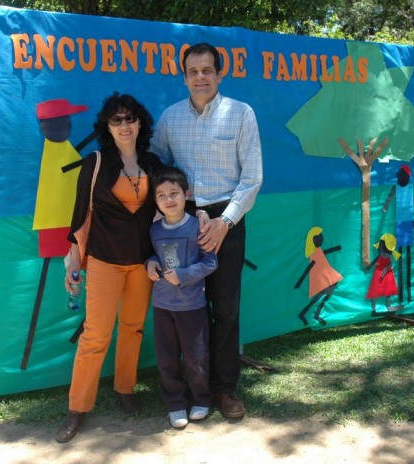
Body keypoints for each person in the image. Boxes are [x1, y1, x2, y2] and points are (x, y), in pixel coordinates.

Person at [150, 42, 263, 419]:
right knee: (182, 305)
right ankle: (187, 387)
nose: (200, 77)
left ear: (219, 74)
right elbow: (157, 169)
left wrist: (224, 222)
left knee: (225, 308)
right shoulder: (170, 118)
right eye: (193, 71)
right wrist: (176, 209)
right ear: (184, 77)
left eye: (207, 70)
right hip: (180, 222)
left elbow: (252, 178)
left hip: (226, 218)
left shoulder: (241, 114)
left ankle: (224, 388)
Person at [56, 92, 163, 444]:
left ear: (140, 123)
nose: (124, 125)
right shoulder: (96, 162)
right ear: (108, 126)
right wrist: (72, 262)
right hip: (104, 261)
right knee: (95, 335)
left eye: (130, 118)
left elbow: (166, 209)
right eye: (116, 120)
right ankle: (77, 407)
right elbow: (79, 216)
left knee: (133, 328)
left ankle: (125, 388)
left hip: (142, 262)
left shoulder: (153, 163)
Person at [145, 166, 218, 428]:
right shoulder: (154, 230)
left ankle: (201, 399)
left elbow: (210, 262)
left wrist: (184, 275)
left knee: (196, 357)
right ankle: (175, 404)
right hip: (162, 305)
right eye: (162, 195)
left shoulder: (197, 227)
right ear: (155, 200)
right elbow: (155, 255)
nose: (169, 200)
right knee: (166, 358)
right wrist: (150, 263)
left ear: (186, 194)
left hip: (192, 306)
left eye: (174, 193)